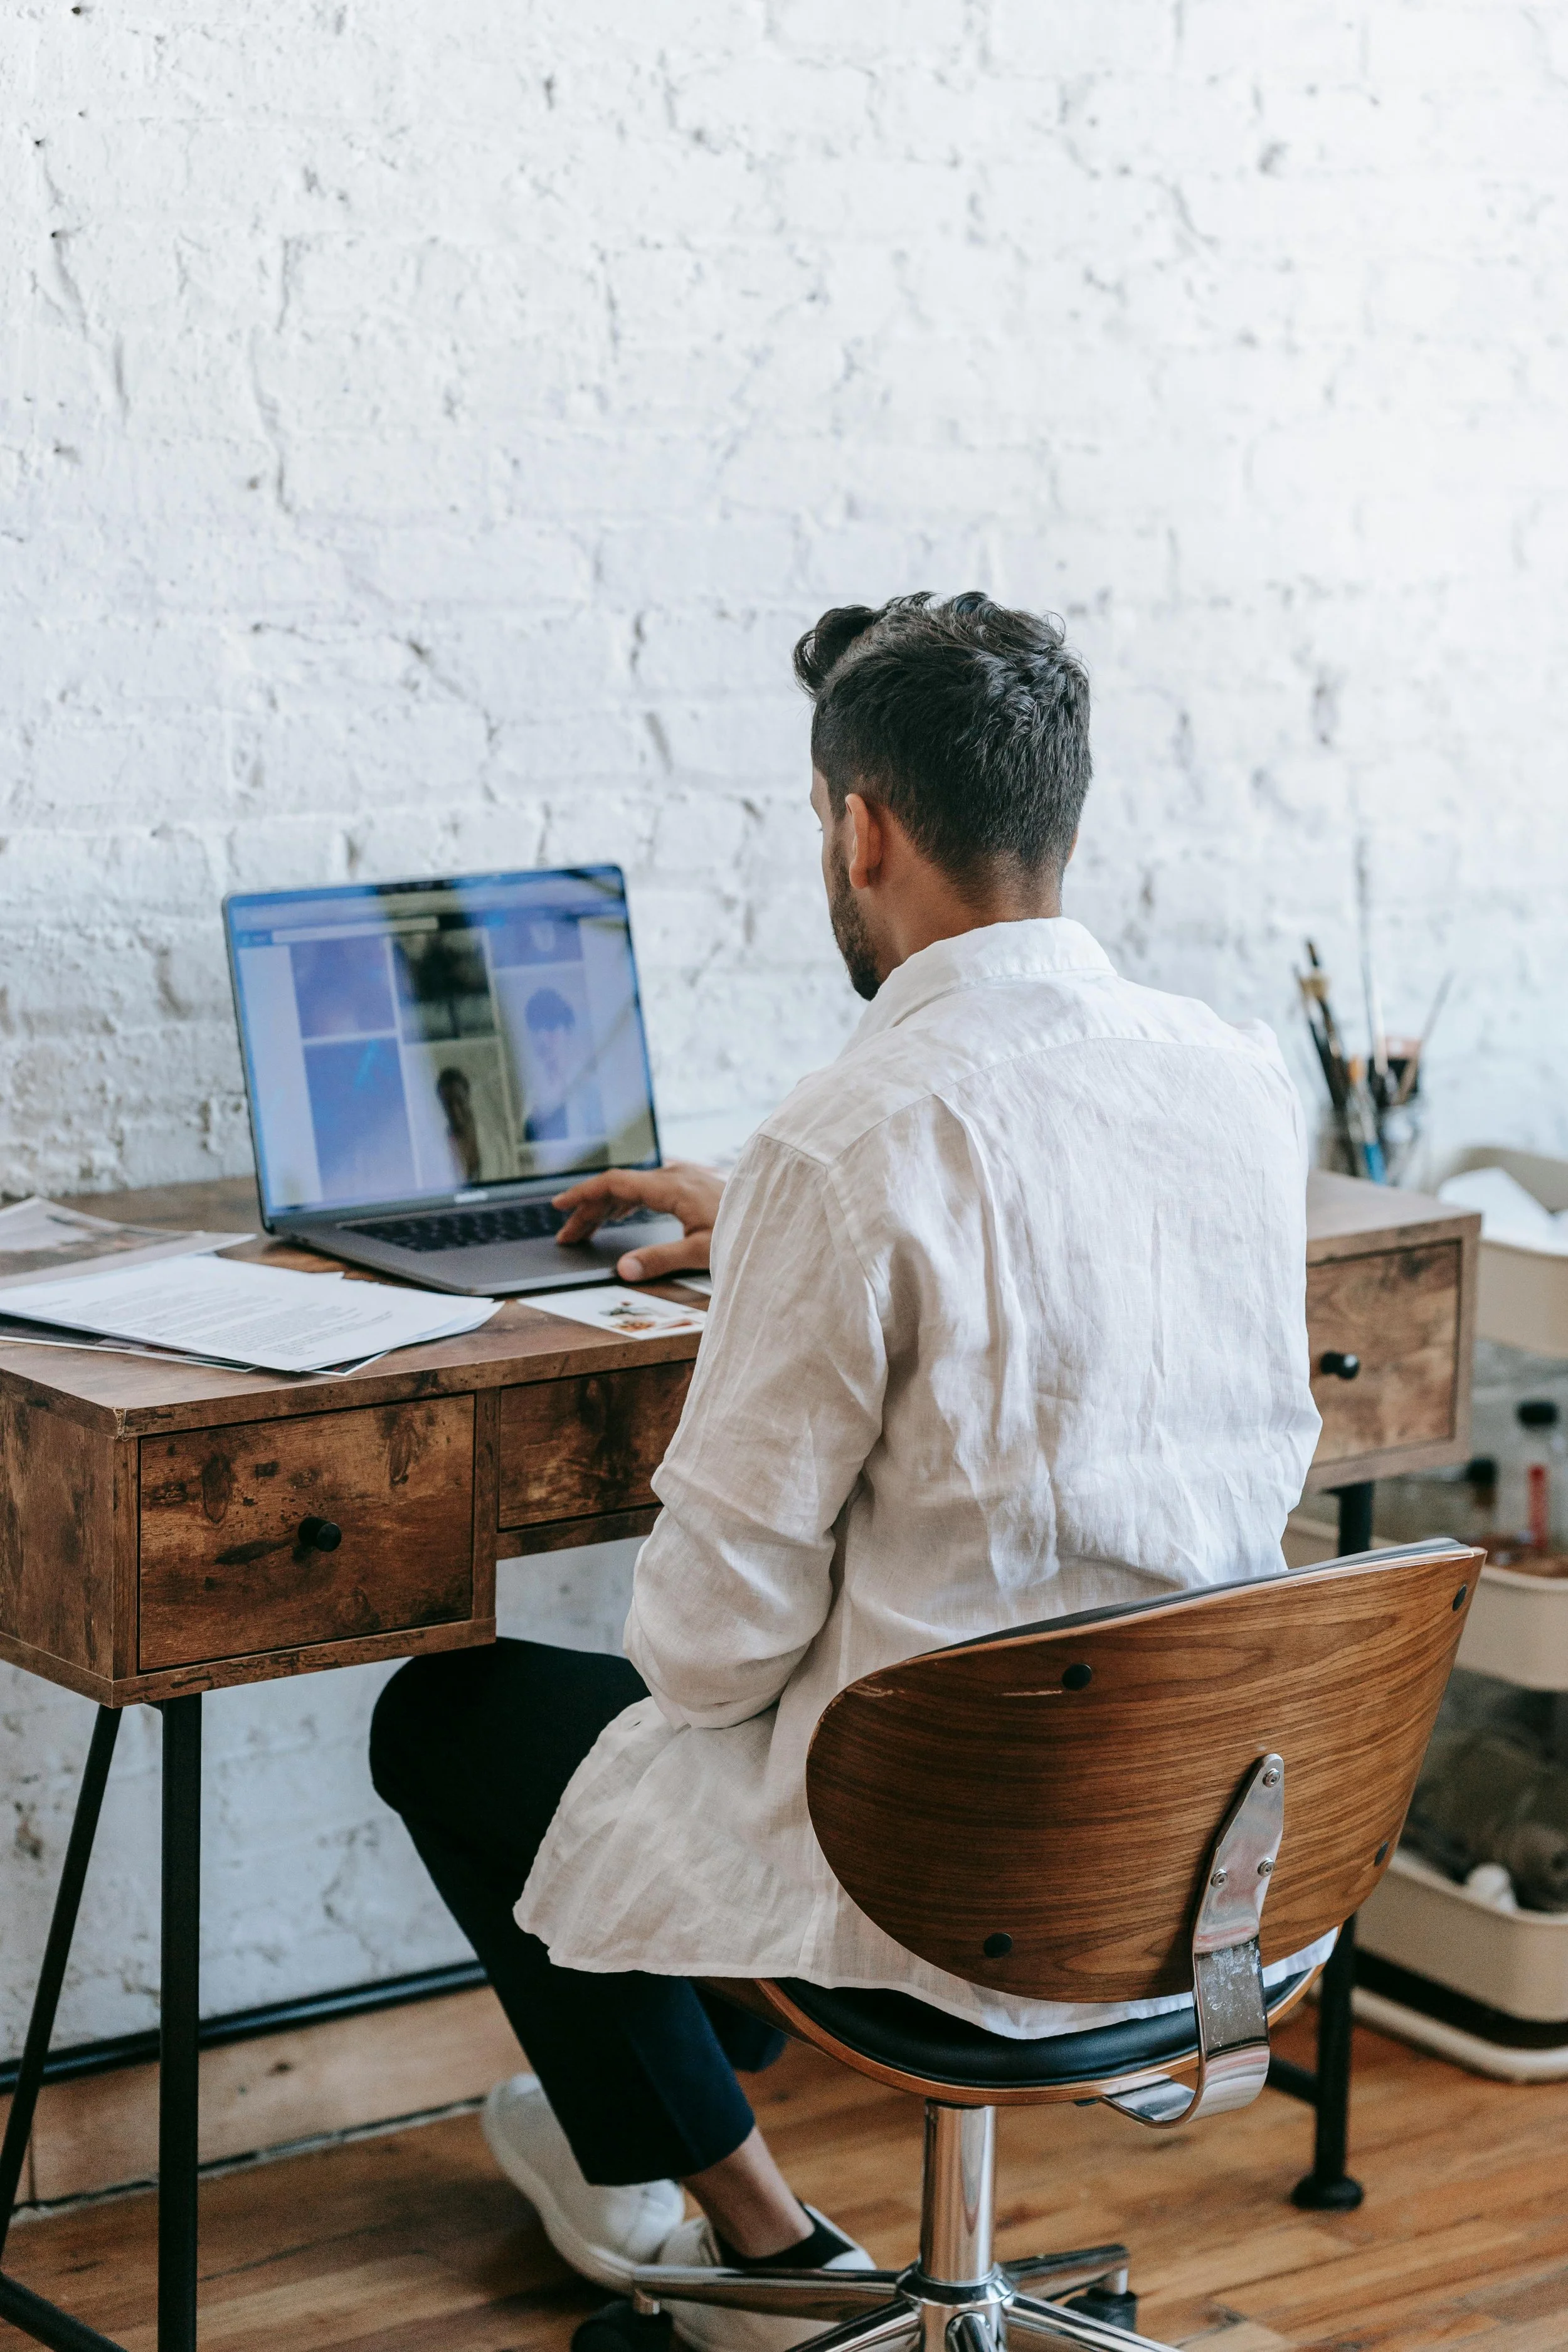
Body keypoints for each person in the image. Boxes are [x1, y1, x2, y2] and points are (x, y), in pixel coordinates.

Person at [369, 592, 1322, 2352]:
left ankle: (762, 2251)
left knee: (457, 1717)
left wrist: (799, 1244)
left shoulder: (842, 1139)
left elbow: (707, 1656)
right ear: (1057, 811)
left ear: (858, 824)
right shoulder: (1233, 1081)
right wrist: (780, 1249)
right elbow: (1057, 1274)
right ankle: (715, 2151)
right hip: (1192, 1851)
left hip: (951, 1863)